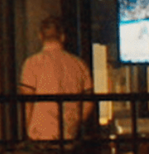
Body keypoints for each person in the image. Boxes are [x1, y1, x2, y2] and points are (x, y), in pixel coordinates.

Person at [19, 15, 93, 143]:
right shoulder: (79, 64)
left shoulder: (32, 63)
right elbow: (89, 100)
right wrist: (77, 121)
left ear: (40, 36)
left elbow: (27, 100)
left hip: (40, 132)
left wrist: (27, 129)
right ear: (63, 37)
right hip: (70, 132)